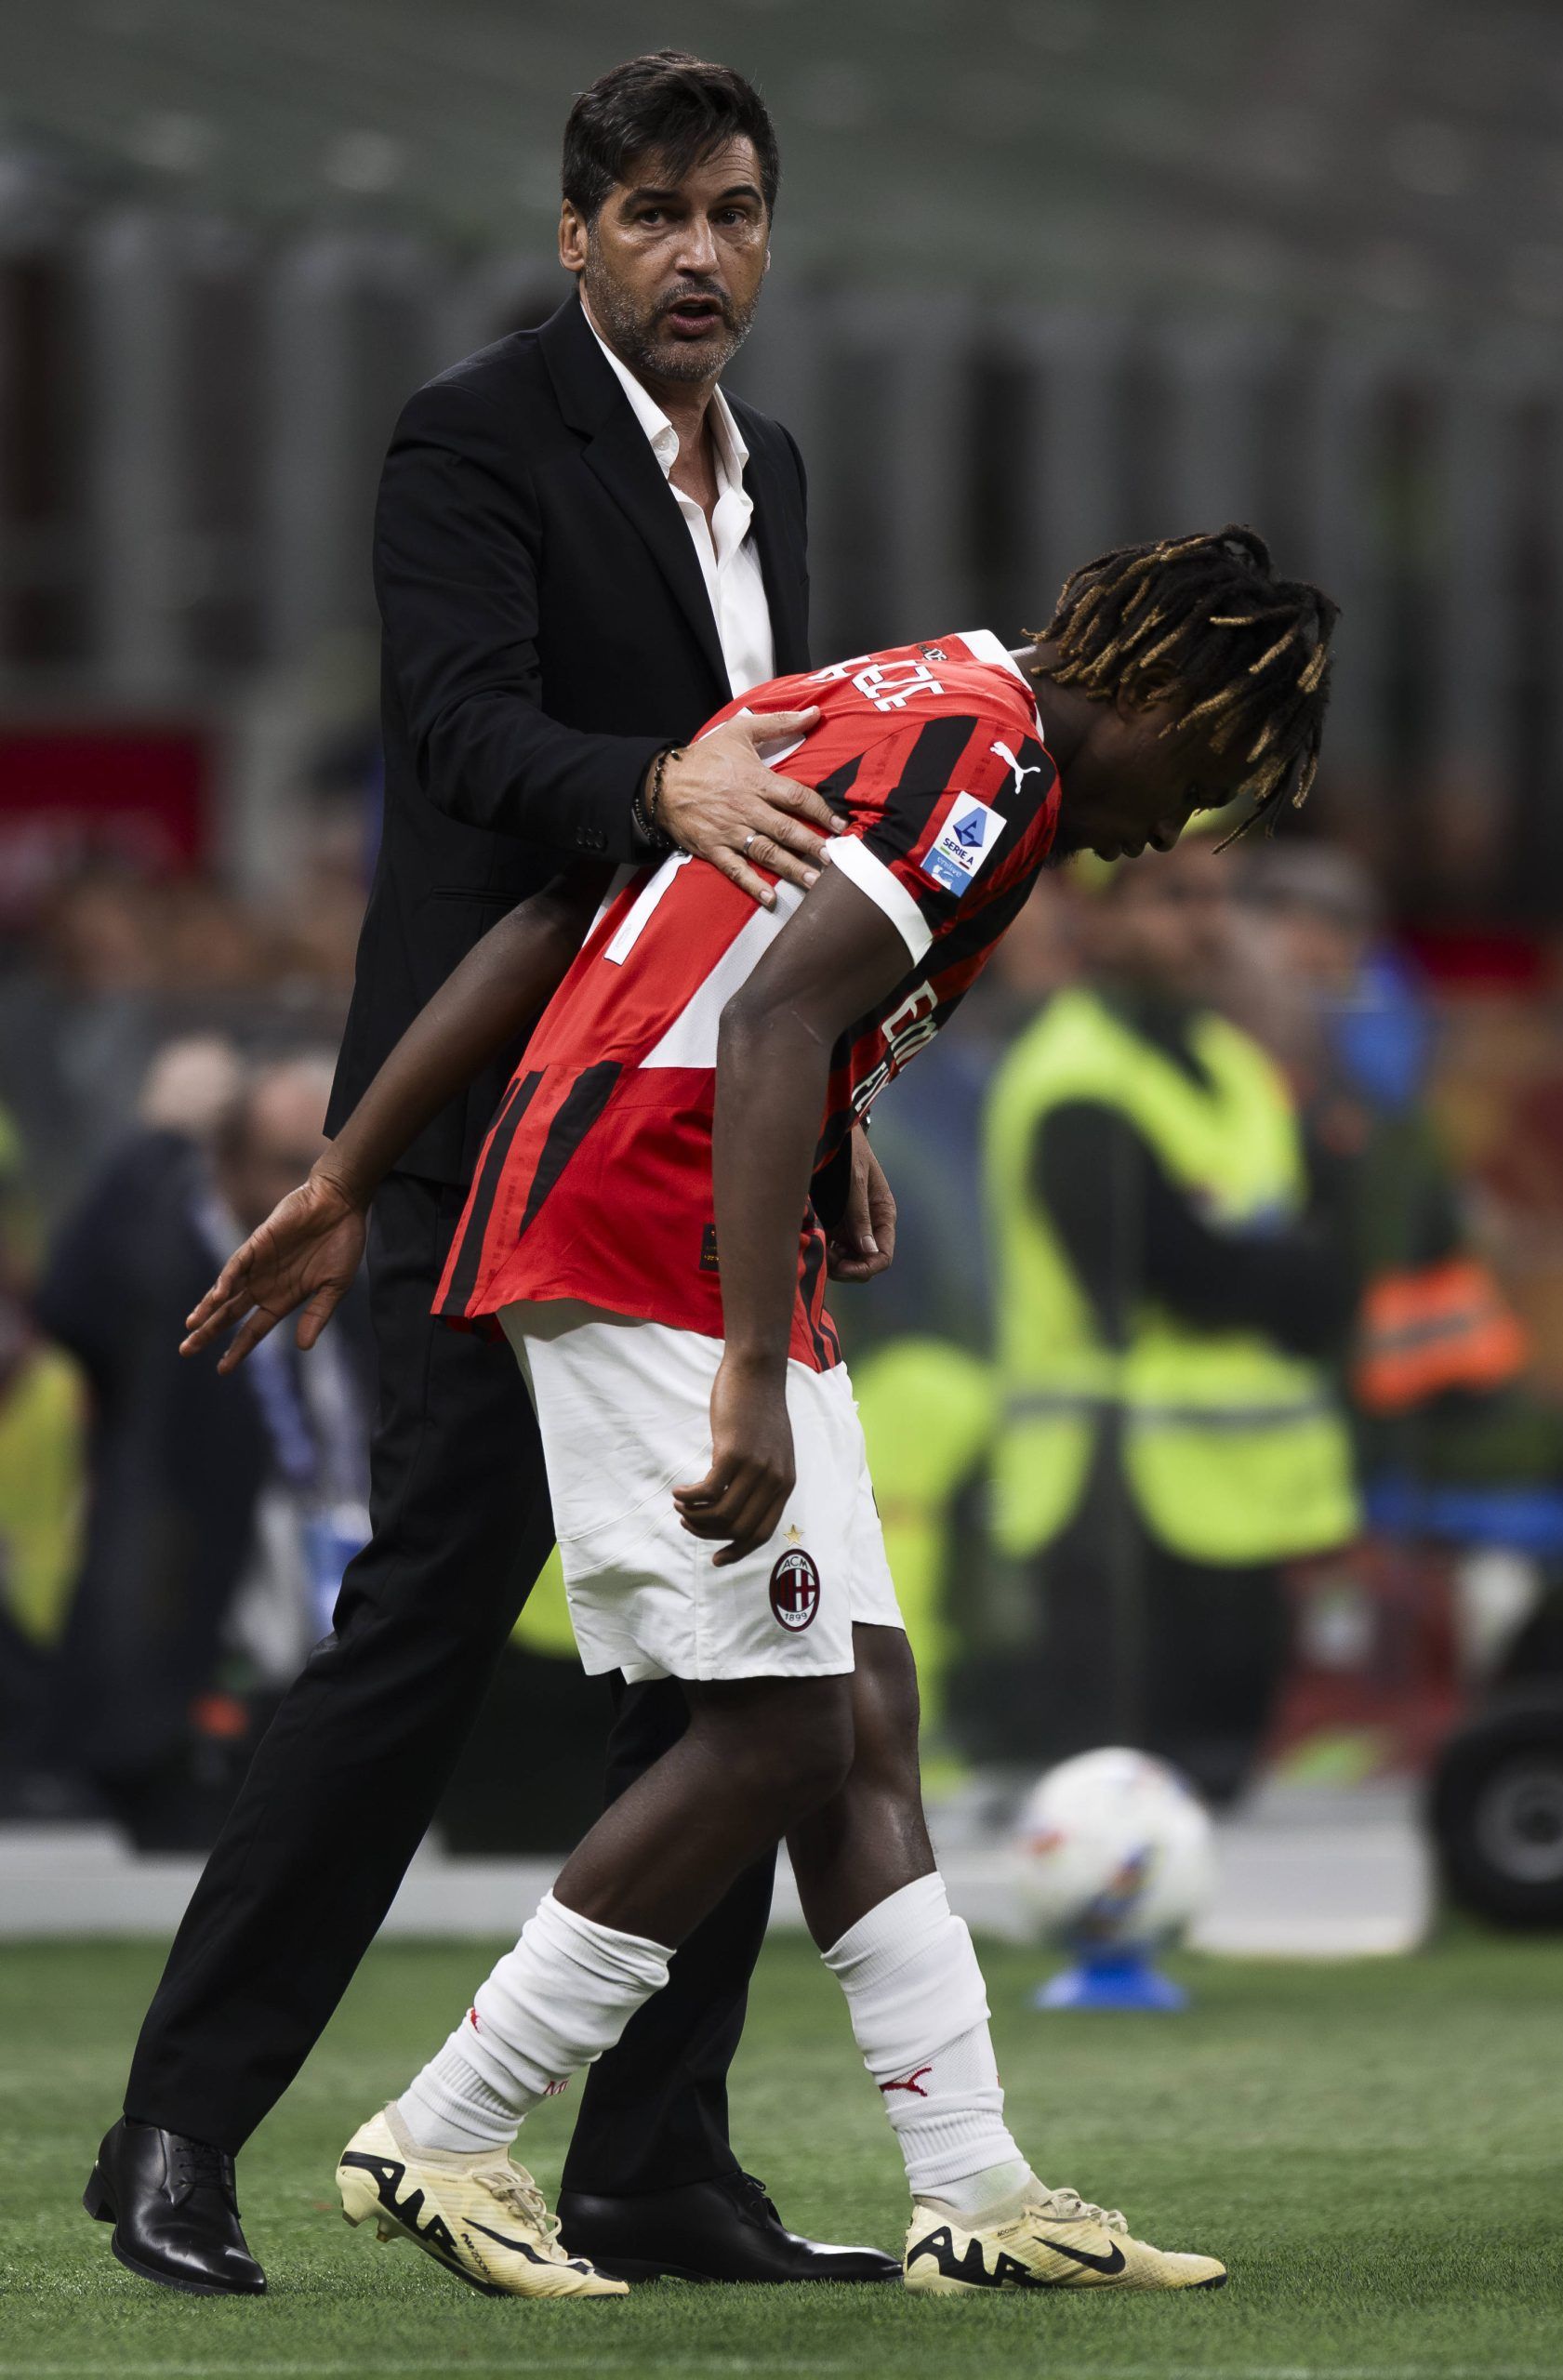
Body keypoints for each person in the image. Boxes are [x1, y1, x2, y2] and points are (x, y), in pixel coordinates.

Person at [175, 527, 1335, 2299]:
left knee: (861, 1714)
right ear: (1163, 693)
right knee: (779, 1733)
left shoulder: (887, 690)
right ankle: (446, 2131)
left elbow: (578, 920)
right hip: (646, 1229)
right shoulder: (982, 770)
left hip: (667, 1214)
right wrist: (743, 1362)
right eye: (1210, 773)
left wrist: (351, 1171)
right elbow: (778, 1022)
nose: (1180, 828)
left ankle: (974, 2191)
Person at [86, 52, 901, 2296]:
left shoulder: (774, 472)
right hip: (481, 1141)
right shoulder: (471, 437)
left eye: (732, 212)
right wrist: (654, 783)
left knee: (724, 1660)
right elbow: (458, 733)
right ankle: (175, 2127)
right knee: (424, 1629)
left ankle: (655, 2162)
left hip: (685, 1145)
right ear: (575, 236)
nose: (698, 255)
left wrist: (828, 1108)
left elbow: (790, 852)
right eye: (653, 214)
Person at [980, 832, 1361, 1805]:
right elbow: (1176, 1269)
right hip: (1110, 1503)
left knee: (1218, 1797)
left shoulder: (1234, 1065)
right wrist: (1269, 1268)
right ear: (1098, 917)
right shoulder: (1074, 1075)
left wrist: (1258, 1266)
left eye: (1217, 898)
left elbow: (1336, 1258)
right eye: (1171, 897)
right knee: (1118, 1803)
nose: (1206, 924)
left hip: (1236, 1502)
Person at [28, 1055, 372, 1845]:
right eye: (287, 1165)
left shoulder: (352, 1257)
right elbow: (69, 1305)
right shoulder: (164, 1254)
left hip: (324, 1591)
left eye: (326, 1168)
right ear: (228, 1161)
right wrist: (156, 1137)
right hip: (185, 1627)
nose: (309, 1191)